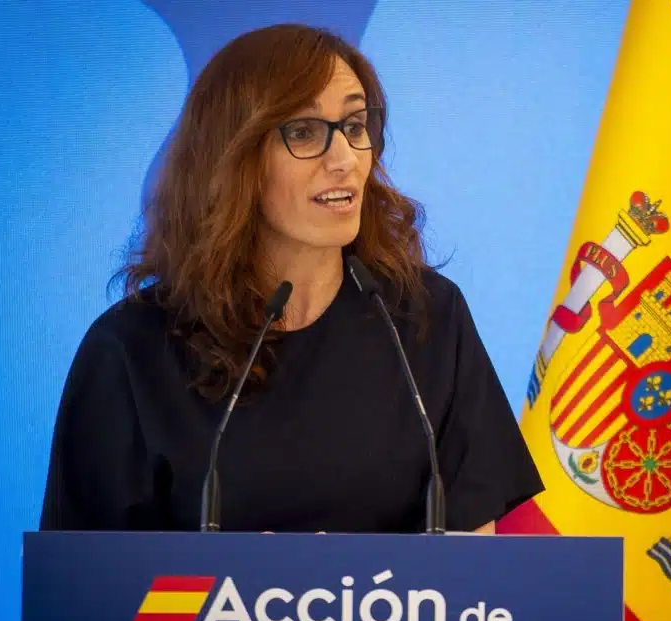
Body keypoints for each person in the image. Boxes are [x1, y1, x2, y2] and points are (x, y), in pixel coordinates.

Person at [38, 24, 544, 534]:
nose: (345, 159)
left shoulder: (427, 317)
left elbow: (473, 557)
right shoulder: (131, 349)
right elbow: (88, 575)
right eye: (303, 132)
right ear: (233, 158)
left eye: (355, 126)